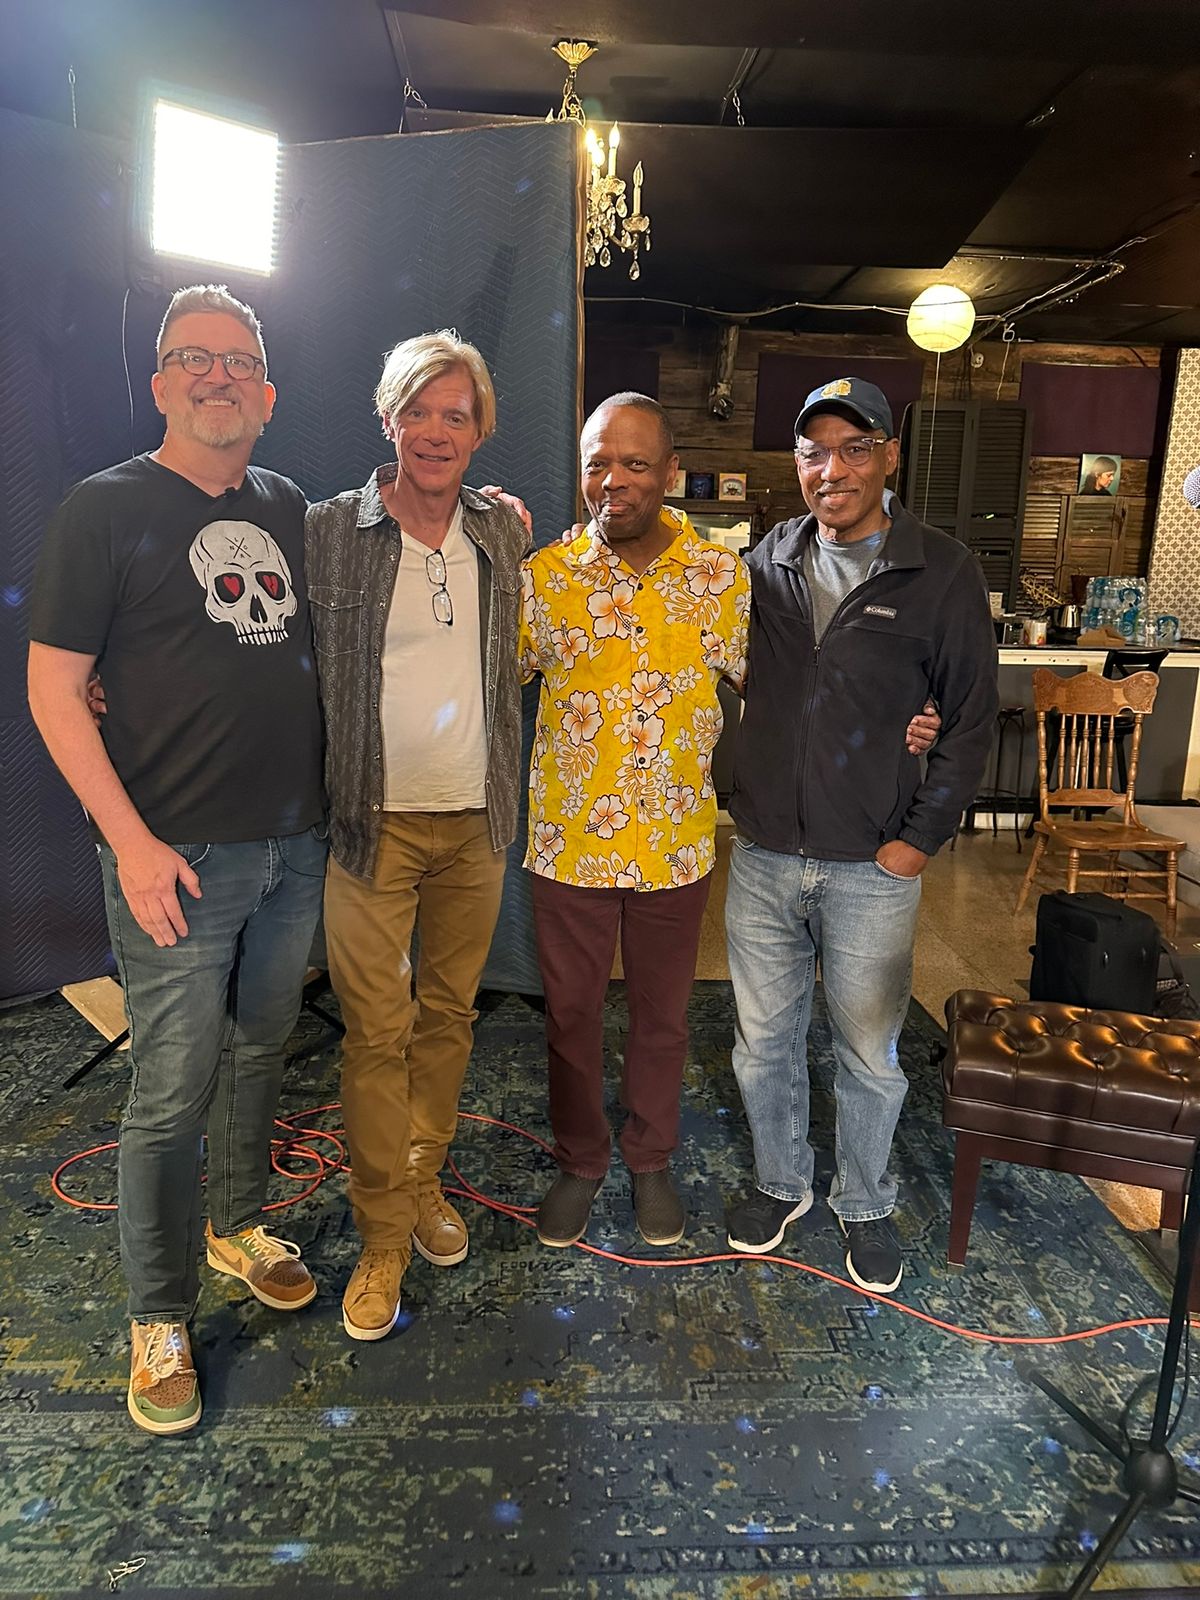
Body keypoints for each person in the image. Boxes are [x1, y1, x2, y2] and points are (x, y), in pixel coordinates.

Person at [27, 285, 327, 1436]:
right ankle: (156, 1315)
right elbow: (55, 690)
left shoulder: (289, 506)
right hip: (176, 859)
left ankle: (236, 1225)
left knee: (260, 1050)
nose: (218, 376)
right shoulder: (102, 509)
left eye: (239, 361)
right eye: (195, 358)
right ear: (160, 384)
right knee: (169, 1089)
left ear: (268, 394)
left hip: (292, 845)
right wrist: (131, 842)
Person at [723, 377, 998, 1295]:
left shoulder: (941, 570)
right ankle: (781, 1182)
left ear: (889, 457)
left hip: (872, 865)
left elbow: (969, 719)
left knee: (869, 1054)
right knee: (763, 1043)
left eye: (853, 449)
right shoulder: (765, 561)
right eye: (814, 453)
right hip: (764, 853)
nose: (831, 470)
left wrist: (920, 838)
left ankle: (866, 1201)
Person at [304, 332, 530, 1341]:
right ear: (387, 418)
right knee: (375, 1034)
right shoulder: (326, 530)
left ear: (479, 431)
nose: (436, 432)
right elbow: (253, 641)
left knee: (448, 1018)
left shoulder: (501, 530)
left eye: (456, 415)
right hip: (371, 825)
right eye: (419, 412)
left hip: (476, 821)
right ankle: (383, 1235)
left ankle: (423, 1177)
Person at [517, 393, 748, 1250]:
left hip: (675, 844)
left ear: (672, 472)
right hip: (568, 843)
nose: (612, 480)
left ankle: (650, 1157)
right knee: (570, 1017)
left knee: (663, 1018)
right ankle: (581, 1158)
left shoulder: (720, 578)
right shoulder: (545, 577)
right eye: (597, 463)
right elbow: (485, 679)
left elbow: (779, 685)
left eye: (635, 463)